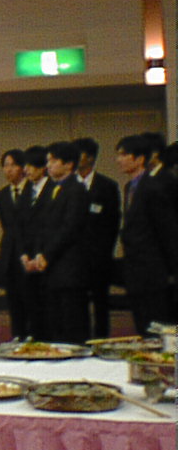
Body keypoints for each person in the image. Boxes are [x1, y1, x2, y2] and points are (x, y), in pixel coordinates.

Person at [21, 141, 91, 343]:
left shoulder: (77, 190)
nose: (48, 165)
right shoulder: (53, 188)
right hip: (51, 269)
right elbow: (43, 227)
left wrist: (46, 255)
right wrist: (37, 255)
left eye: (53, 161)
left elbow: (70, 228)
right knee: (55, 324)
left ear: (69, 165)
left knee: (71, 324)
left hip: (69, 267)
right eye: (48, 160)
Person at [116, 134, 178, 334]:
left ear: (140, 159)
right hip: (134, 271)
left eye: (124, 155)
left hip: (153, 271)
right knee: (141, 326)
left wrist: (172, 272)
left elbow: (167, 232)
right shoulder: (129, 187)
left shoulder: (153, 188)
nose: (119, 160)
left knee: (156, 328)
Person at [73, 137, 121, 339]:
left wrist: (104, 253)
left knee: (101, 303)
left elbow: (112, 223)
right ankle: (81, 340)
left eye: (79, 154)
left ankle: (102, 340)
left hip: (99, 257)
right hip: (74, 257)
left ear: (90, 158)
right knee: (77, 304)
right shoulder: (67, 185)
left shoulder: (107, 186)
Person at [0, 148, 31, 338]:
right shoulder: (1, 195)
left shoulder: (33, 191)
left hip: (30, 255)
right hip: (9, 255)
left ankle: (33, 339)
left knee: (31, 302)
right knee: (14, 303)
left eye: (13, 165)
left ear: (23, 167)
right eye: (5, 166)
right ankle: (17, 338)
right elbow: (6, 226)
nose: (8, 170)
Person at [17, 145, 52, 338]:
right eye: (25, 166)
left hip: (46, 257)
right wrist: (24, 254)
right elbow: (19, 225)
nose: (26, 170)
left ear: (42, 167)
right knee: (31, 307)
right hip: (28, 257)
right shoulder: (26, 190)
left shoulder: (53, 188)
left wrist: (40, 254)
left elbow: (50, 227)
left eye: (31, 166)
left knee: (48, 309)